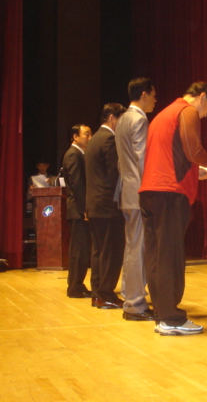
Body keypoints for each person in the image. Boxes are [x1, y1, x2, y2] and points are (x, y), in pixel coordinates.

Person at [139, 82, 207, 335]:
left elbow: (170, 156)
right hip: (170, 194)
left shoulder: (163, 114)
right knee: (170, 256)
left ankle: (162, 314)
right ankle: (171, 319)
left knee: (156, 256)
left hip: (150, 192)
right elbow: (193, 149)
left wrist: (196, 172)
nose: (206, 115)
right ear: (203, 97)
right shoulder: (187, 111)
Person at [114, 78, 157, 321]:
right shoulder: (139, 119)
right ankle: (135, 304)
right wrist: (150, 190)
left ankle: (130, 297)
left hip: (127, 191)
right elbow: (143, 160)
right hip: (139, 192)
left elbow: (122, 162)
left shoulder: (122, 120)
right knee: (138, 248)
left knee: (132, 246)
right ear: (144, 94)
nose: (155, 100)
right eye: (153, 95)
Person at [85, 103, 127, 309]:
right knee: (112, 252)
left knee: (99, 252)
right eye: (121, 120)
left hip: (95, 205)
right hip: (108, 205)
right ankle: (106, 294)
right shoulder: (109, 139)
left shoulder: (93, 139)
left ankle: (97, 294)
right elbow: (115, 174)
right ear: (112, 118)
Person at [63, 125, 93, 298]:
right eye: (86, 134)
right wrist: (84, 209)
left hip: (79, 209)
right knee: (78, 250)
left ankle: (77, 285)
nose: (90, 138)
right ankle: (75, 287)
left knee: (82, 249)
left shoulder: (80, 154)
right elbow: (77, 184)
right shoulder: (73, 154)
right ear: (75, 137)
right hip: (78, 210)